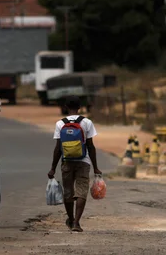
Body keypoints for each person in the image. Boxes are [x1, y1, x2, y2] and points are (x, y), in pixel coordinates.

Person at [47, 96, 101, 233]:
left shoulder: (60, 124)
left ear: (65, 107)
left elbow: (58, 148)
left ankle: (70, 219)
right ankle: (77, 222)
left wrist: (53, 168)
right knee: (81, 191)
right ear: (80, 107)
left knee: (68, 191)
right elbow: (91, 146)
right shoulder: (87, 122)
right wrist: (95, 167)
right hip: (84, 161)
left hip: (67, 161)